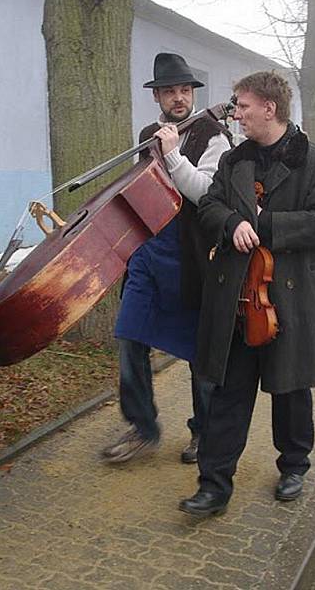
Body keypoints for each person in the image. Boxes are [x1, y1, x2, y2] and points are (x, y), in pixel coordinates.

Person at [178, 71, 315, 517]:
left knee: (290, 391)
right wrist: (232, 223)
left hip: (289, 299)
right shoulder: (234, 161)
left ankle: (293, 465)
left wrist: (264, 225)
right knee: (228, 393)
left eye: (243, 105)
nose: (236, 112)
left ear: (270, 108)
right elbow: (209, 204)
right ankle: (213, 485)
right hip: (237, 298)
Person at [101, 53, 231, 465]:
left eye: (184, 90)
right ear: (157, 96)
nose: (178, 98)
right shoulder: (147, 133)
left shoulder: (213, 134)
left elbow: (206, 194)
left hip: (191, 256)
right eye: (170, 91)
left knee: (197, 350)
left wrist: (175, 155)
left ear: (192, 93)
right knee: (130, 337)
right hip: (148, 253)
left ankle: (205, 432)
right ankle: (143, 427)